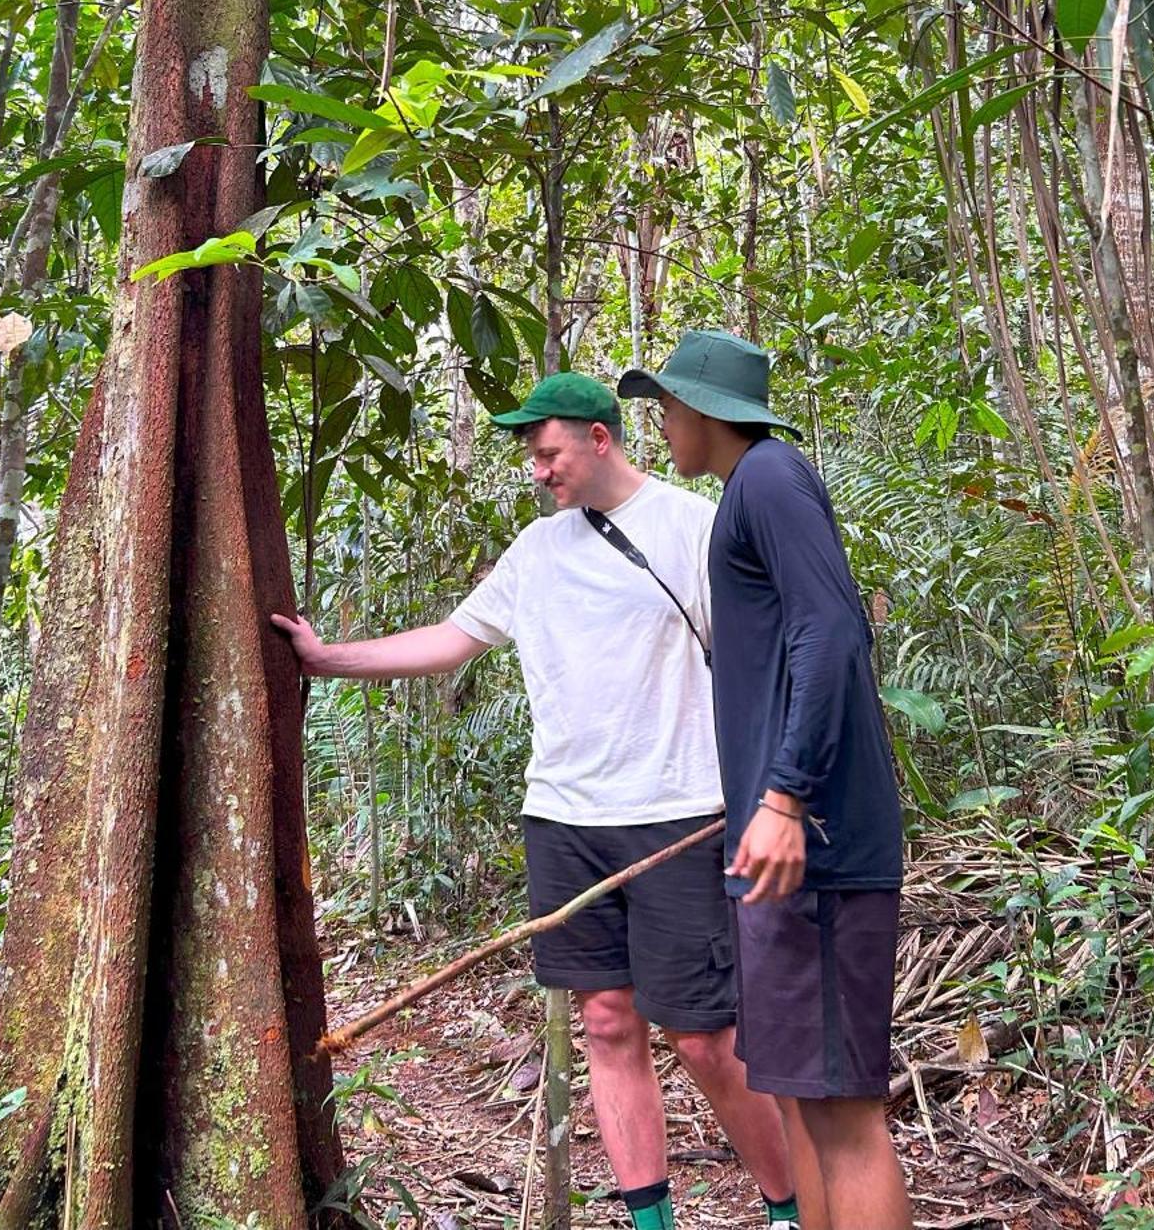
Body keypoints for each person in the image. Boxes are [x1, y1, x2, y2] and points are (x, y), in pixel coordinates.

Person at [272, 371, 798, 1230]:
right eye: (531, 456)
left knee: (703, 1034)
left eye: (547, 452)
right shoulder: (537, 551)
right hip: (563, 816)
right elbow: (453, 641)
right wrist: (330, 660)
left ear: (599, 439)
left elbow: (768, 650)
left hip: (679, 811)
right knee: (604, 1021)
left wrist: (779, 791)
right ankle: (650, 1220)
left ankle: (789, 1206)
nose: (537, 470)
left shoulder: (692, 527)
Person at [618, 332, 914, 1230]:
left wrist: (786, 796)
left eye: (667, 403)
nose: (662, 419)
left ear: (707, 410)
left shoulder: (772, 477)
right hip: (777, 855)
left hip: (816, 848)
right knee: (796, 1097)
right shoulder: (748, 491)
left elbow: (832, 631)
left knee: (843, 1113)